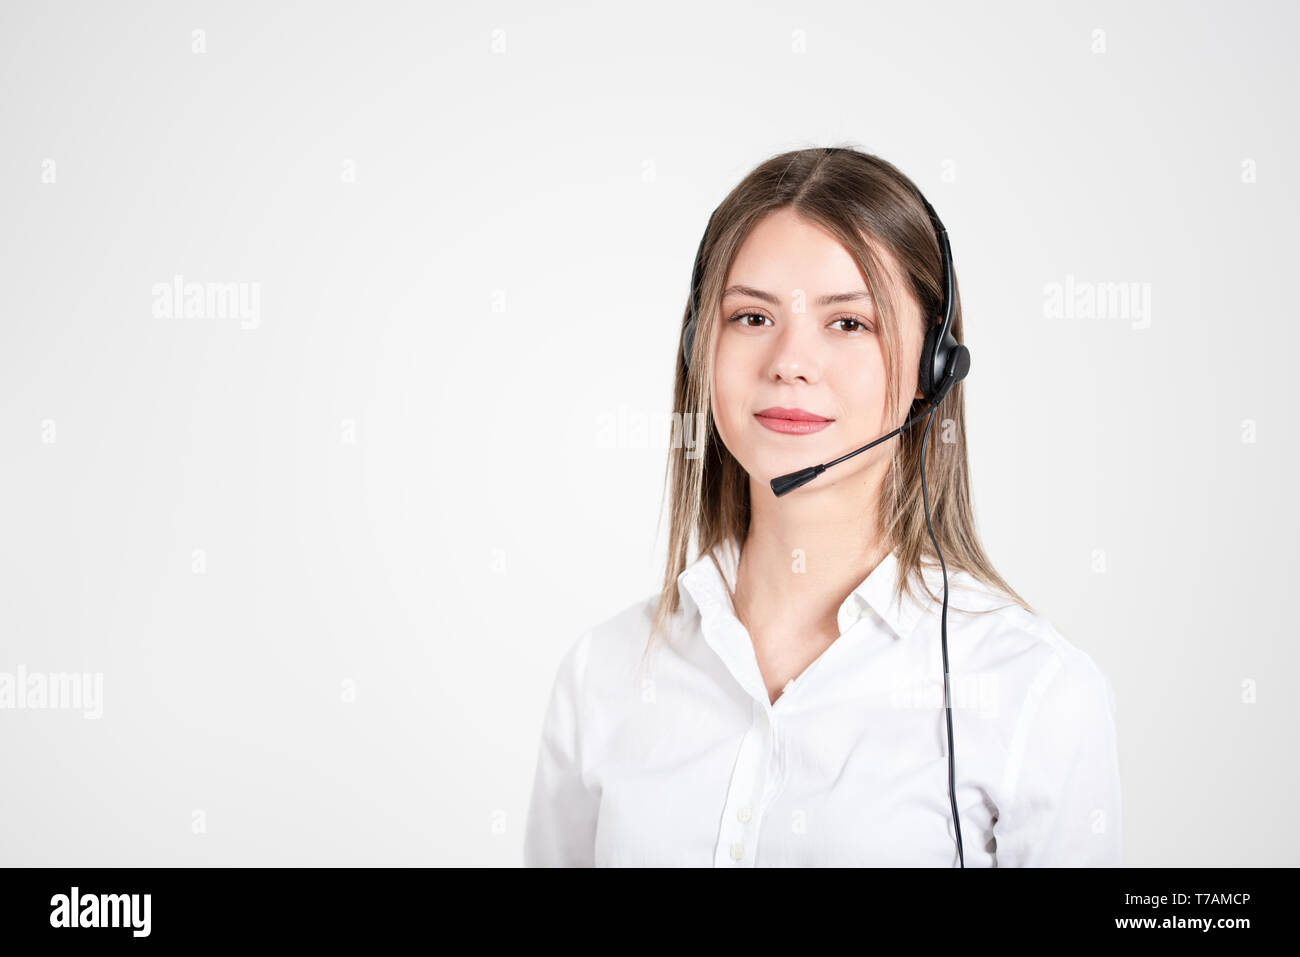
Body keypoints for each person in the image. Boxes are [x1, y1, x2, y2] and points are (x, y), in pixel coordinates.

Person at [524, 145, 1123, 867]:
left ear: (932, 369)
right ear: (697, 346)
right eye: (751, 317)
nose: (788, 361)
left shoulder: (1035, 691)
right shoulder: (604, 673)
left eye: (848, 323)